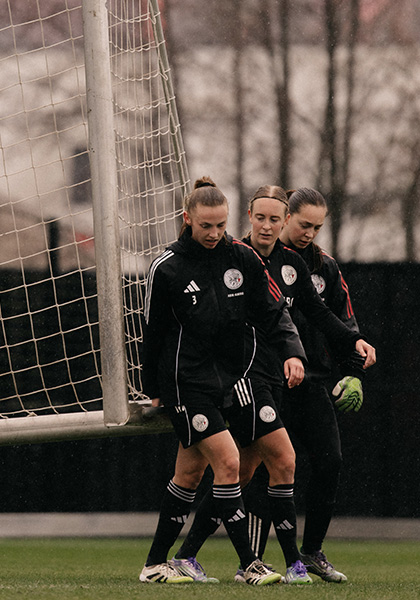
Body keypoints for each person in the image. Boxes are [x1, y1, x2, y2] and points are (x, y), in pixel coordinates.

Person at [169, 186, 375, 585]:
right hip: (247, 380)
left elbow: (318, 313)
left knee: (253, 468)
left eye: (274, 219)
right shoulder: (234, 258)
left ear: (281, 222)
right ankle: (268, 562)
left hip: (286, 379)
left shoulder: (294, 265)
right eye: (261, 218)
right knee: (263, 464)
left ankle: (197, 555)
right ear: (250, 216)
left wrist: (353, 342)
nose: (267, 225)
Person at [139, 177, 303, 585]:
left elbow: (270, 311)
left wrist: (291, 351)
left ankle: (157, 564)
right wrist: (153, 391)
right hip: (184, 382)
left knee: (189, 477)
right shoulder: (168, 267)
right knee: (230, 462)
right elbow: (153, 334)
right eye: (205, 226)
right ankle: (250, 565)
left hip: (227, 382)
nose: (214, 234)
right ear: (187, 219)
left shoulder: (242, 258)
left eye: (220, 225)